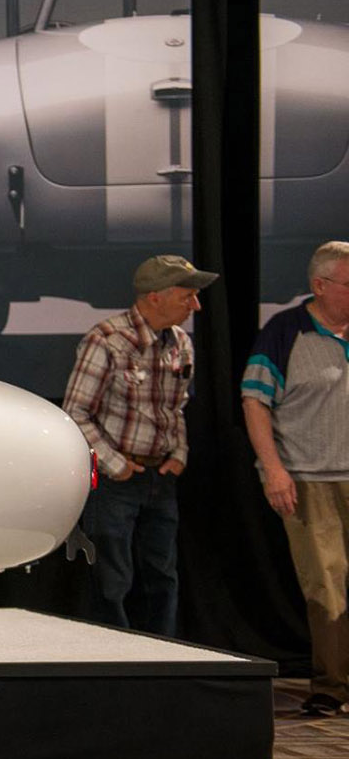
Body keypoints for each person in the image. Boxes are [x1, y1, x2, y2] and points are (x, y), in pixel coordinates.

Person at [61, 253, 216, 638]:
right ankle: (115, 663)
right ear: (155, 297)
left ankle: (161, 658)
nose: (195, 305)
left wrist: (179, 453)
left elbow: (177, 406)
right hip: (117, 481)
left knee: (162, 576)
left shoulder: (180, 342)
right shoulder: (108, 340)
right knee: (113, 579)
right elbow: (76, 413)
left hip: (160, 478)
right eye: (188, 296)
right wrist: (116, 464)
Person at [242, 241, 349, 716]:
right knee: (325, 583)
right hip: (309, 478)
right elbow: (254, 402)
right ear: (320, 286)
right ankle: (332, 686)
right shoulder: (286, 332)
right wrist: (274, 470)